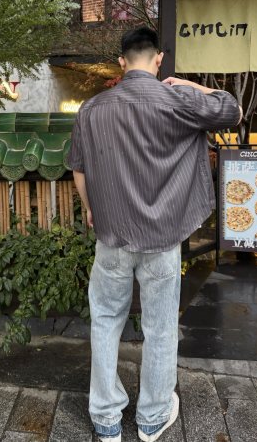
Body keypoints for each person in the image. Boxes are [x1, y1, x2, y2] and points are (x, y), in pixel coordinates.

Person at [68, 26, 242, 442]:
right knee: (161, 328)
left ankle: (106, 419)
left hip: (112, 236)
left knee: (105, 321)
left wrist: (91, 208)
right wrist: (191, 85)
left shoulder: (92, 109)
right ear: (159, 59)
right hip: (163, 237)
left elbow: (79, 169)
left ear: (121, 62)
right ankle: (151, 418)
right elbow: (232, 110)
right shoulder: (179, 100)